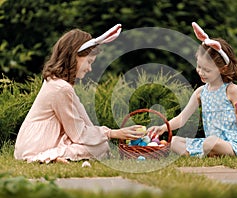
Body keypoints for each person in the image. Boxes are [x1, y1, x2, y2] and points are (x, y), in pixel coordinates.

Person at [14, 24, 145, 163]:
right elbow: (78, 133)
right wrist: (112, 133)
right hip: (35, 145)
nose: (89, 68)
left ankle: (56, 155)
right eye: (89, 62)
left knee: (100, 145)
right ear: (74, 56)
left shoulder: (58, 83)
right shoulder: (61, 88)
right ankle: (47, 156)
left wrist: (103, 141)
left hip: (30, 142)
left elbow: (83, 120)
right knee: (98, 147)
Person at [148, 22, 237, 157]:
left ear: (222, 69)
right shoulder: (201, 92)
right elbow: (182, 118)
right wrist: (163, 128)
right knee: (175, 141)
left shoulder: (231, 90)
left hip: (233, 143)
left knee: (210, 143)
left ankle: (205, 153)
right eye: (199, 67)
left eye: (207, 70)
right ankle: (206, 153)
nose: (201, 72)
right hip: (210, 142)